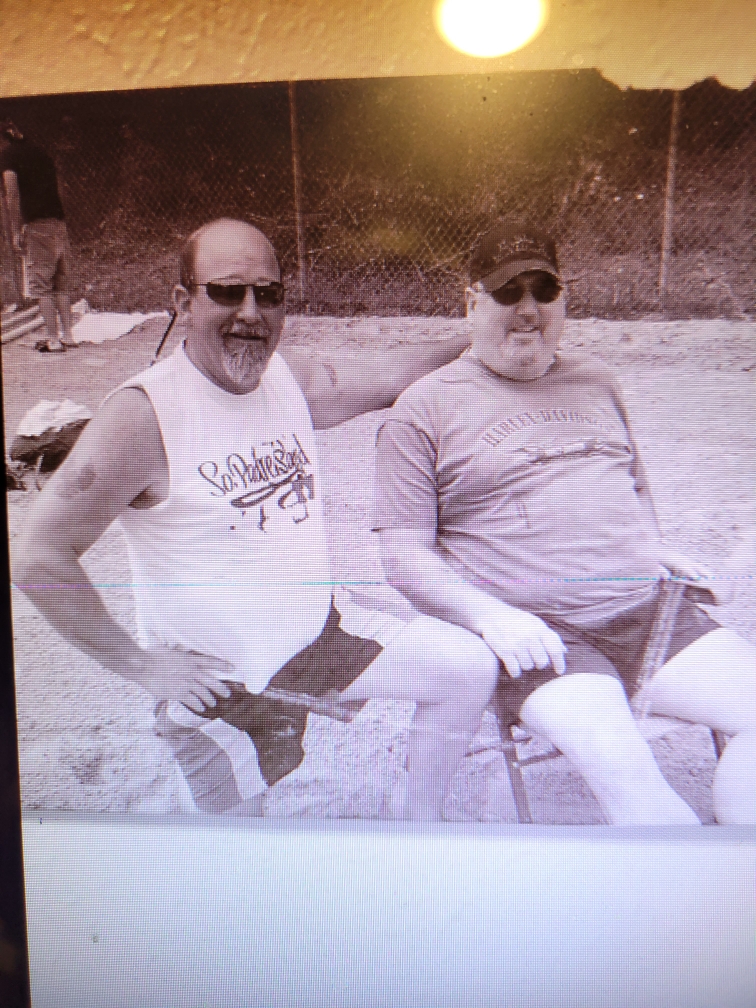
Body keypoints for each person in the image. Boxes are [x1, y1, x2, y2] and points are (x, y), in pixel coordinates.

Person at [12, 217, 499, 820]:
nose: (251, 312)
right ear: (183, 303)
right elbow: (37, 554)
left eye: (267, 294)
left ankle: (414, 824)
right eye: (227, 291)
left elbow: (393, 375)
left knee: (466, 666)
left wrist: (485, 323)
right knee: (245, 868)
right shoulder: (143, 419)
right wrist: (141, 666)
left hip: (313, 646)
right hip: (223, 687)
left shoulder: (282, 383)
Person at [375, 220, 756, 825]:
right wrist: (491, 617)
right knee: (652, 807)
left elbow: (632, 484)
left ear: (563, 298)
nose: (527, 311)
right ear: (471, 301)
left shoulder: (596, 380)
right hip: (545, 637)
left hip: (648, 615)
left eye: (542, 291)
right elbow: (403, 556)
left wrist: (652, 547)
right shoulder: (421, 411)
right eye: (507, 293)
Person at [0, 120, 74, 353]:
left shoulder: (8, 157)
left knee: (40, 285)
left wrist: (15, 230)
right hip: (58, 221)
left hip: (37, 224)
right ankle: (68, 335)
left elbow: (12, 195)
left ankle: (52, 339)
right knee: (59, 282)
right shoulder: (39, 152)